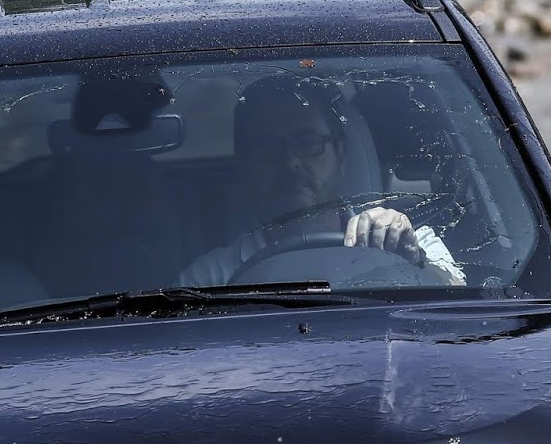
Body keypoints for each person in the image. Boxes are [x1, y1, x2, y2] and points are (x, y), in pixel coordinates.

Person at [178, 75, 466, 287]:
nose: (290, 162)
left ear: (341, 155)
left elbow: (460, 318)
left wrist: (413, 260)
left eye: (307, 143)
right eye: (267, 148)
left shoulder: (411, 240)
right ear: (244, 163)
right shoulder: (208, 279)